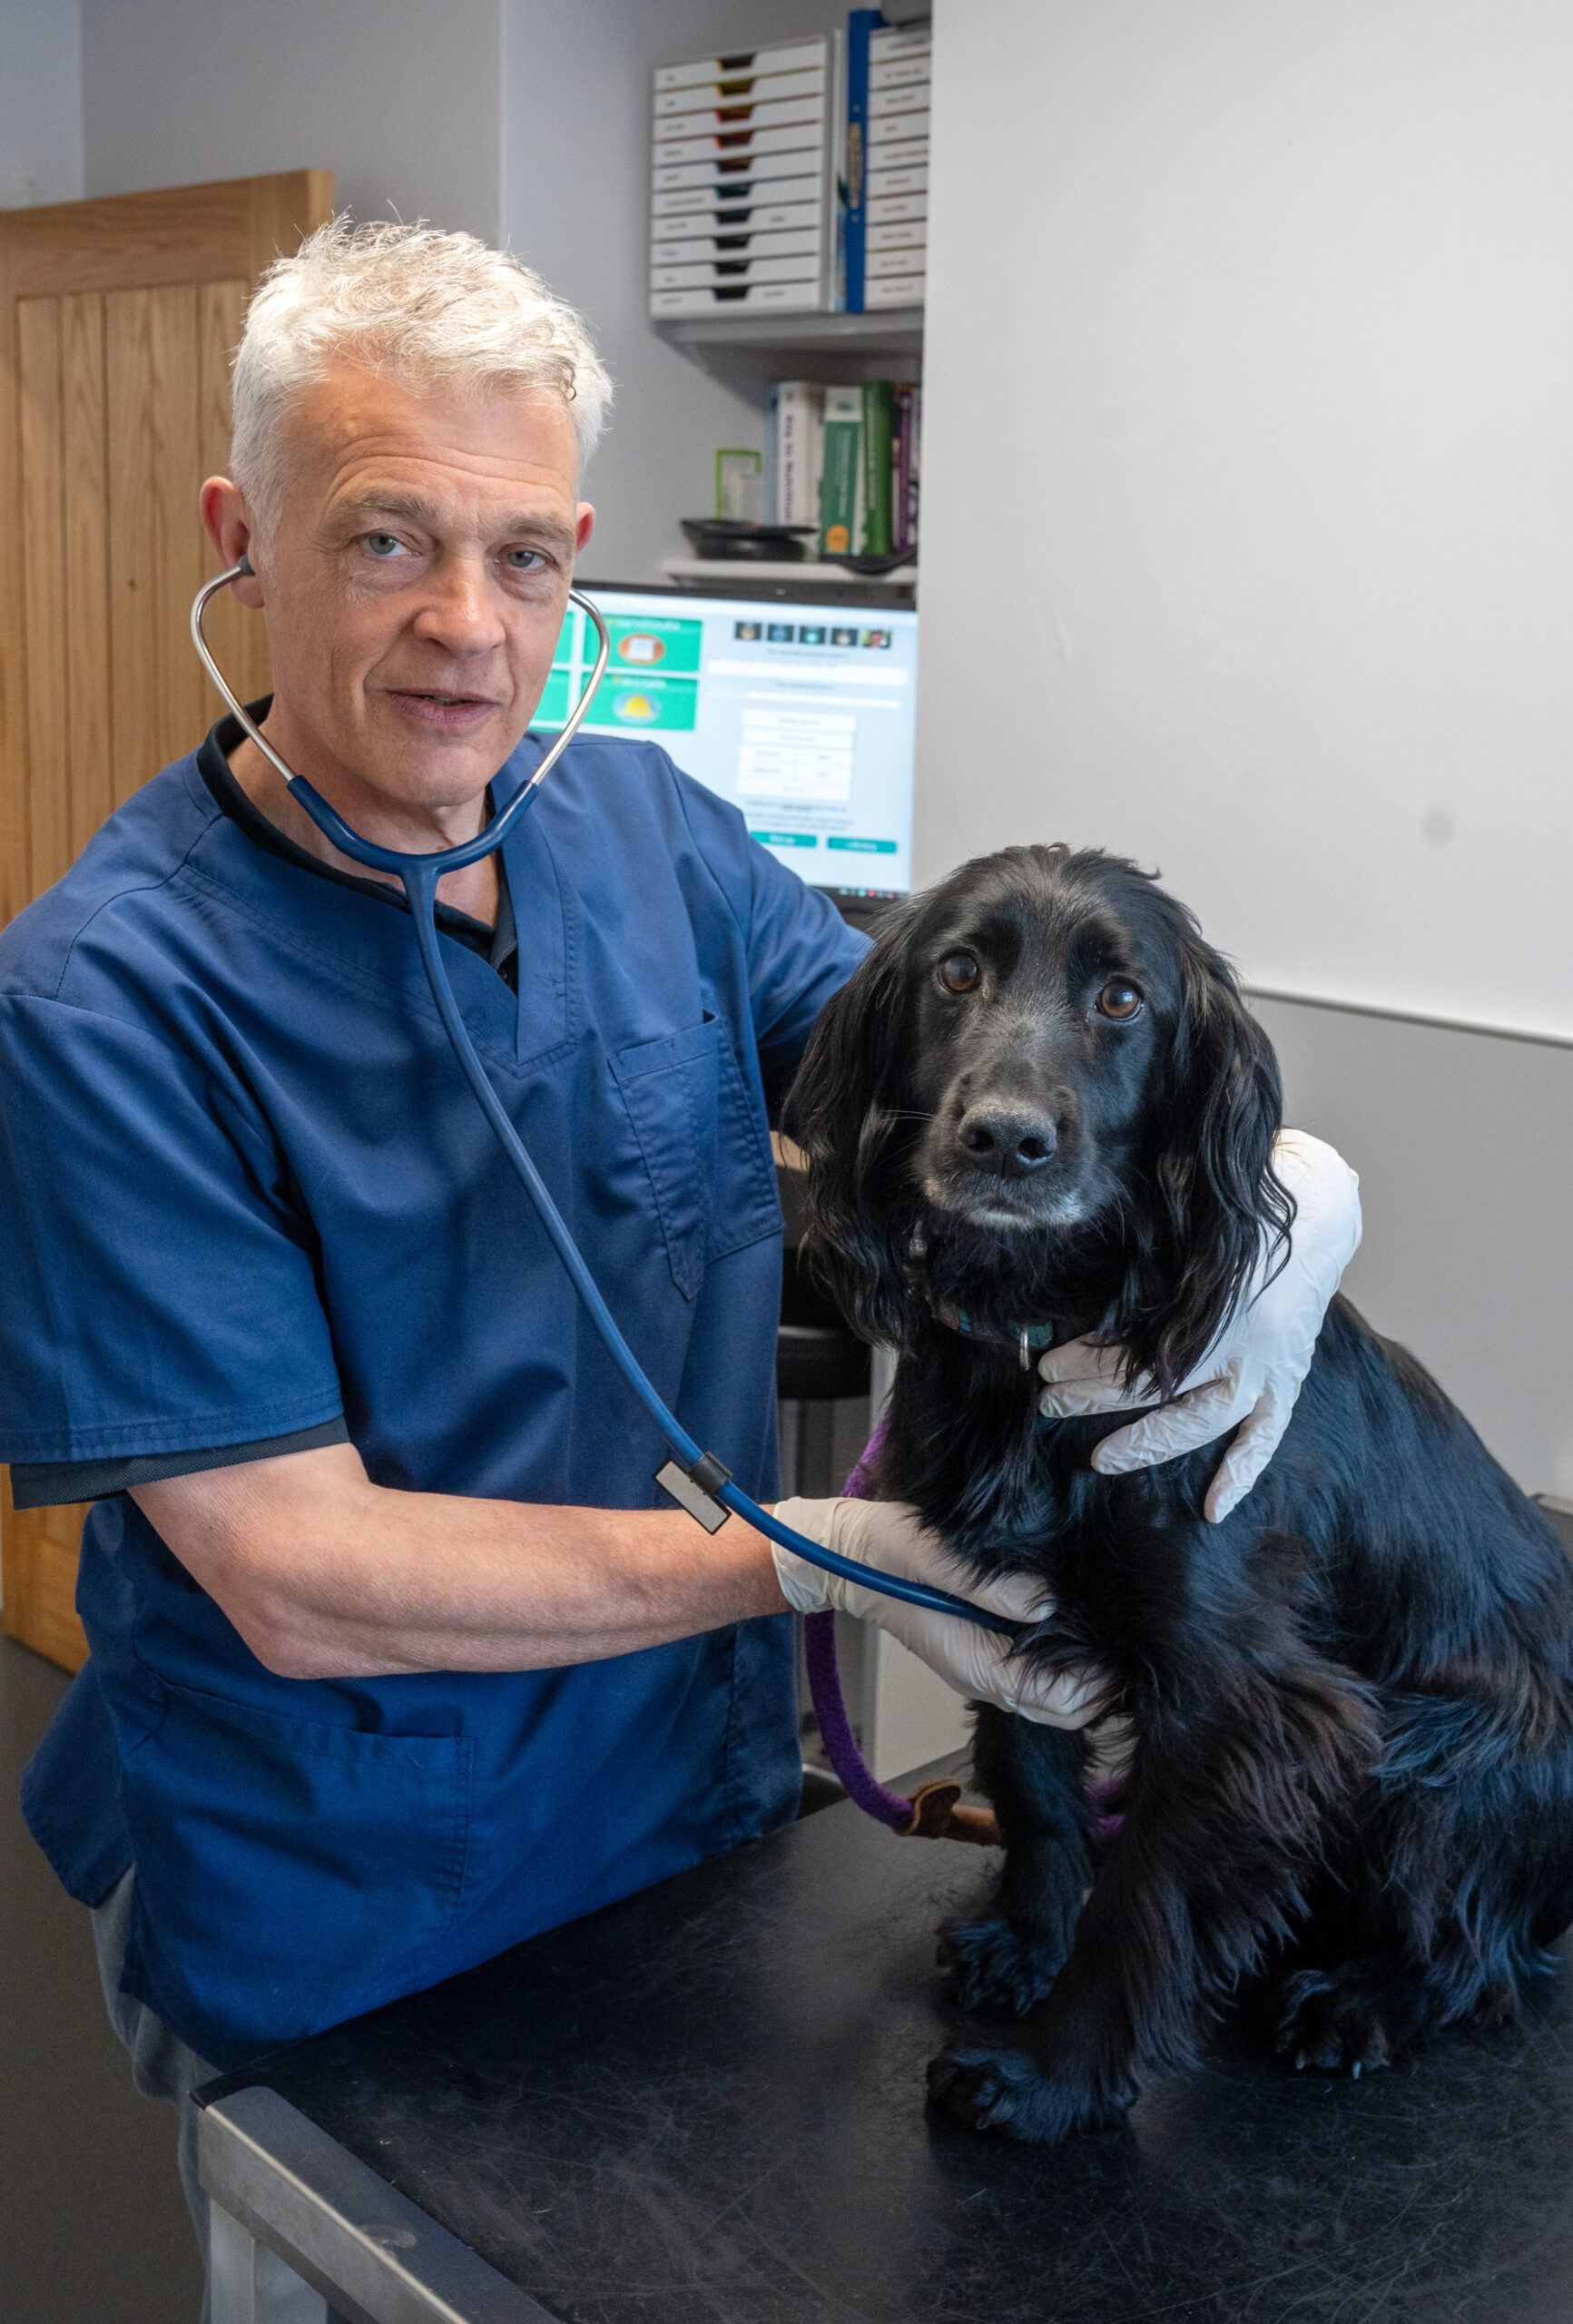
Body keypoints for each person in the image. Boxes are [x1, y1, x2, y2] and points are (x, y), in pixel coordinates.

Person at [0, 222, 1359, 2309]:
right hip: (350, 1895)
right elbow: (291, 1566)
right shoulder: (106, 998)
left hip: (690, 1827)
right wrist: (814, 1551)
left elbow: (939, 1089)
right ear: (240, 536)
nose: (470, 627)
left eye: (528, 555)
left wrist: (1285, 1195)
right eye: (387, 542)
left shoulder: (652, 831)